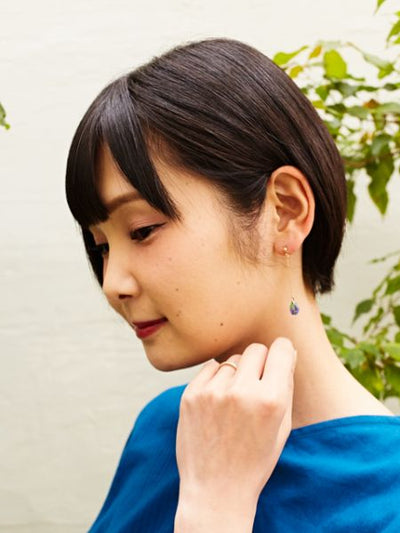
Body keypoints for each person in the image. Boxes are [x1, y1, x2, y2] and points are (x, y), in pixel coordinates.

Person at [65, 38, 400, 532]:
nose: (113, 284)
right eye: (101, 246)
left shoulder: (387, 495)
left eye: (142, 230)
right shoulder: (167, 429)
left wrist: (216, 507)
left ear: (285, 211)